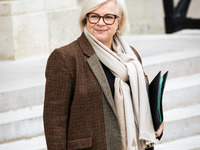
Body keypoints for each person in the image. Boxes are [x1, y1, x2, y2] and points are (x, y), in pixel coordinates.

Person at [43, 0, 164, 149]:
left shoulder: (131, 56)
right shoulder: (66, 58)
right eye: (94, 16)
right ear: (85, 19)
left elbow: (144, 98)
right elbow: (54, 121)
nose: (101, 23)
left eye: (108, 17)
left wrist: (157, 121)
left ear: (118, 21)